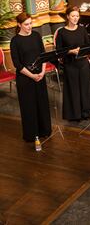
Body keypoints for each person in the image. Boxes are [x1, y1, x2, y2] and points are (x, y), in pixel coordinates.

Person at [10, 12, 51, 142]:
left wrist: (42, 72)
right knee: (29, 106)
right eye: (26, 24)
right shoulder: (15, 41)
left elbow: (43, 55)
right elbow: (17, 64)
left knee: (42, 103)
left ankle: (45, 130)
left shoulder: (36, 36)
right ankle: (31, 134)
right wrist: (32, 76)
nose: (29, 27)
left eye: (30, 23)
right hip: (25, 78)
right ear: (19, 25)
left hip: (39, 75)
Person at [55, 6, 90, 121]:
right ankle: (75, 114)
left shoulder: (82, 29)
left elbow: (88, 45)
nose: (75, 18)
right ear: (67, 17)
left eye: (77, 16)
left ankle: (86, 112)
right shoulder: (62, 32)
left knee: (85, 88)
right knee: (73, 89)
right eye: (73, 16)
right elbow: (58, 51)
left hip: (83, 63)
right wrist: (70, 51)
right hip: (70, 64)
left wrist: (84, 51)